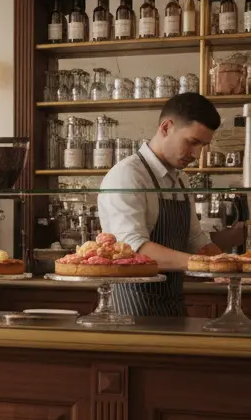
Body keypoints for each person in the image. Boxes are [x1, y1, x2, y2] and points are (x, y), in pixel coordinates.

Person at [98, 93, 246, 317]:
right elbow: (133, 250)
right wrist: (205, 265)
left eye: (203, 146)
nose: (197, 154)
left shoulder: (179, 179)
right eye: (192, 142)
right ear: (166, 127)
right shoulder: (128, 174)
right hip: (132, 305)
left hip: (173, 302)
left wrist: (232, 266)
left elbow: (195, 239)